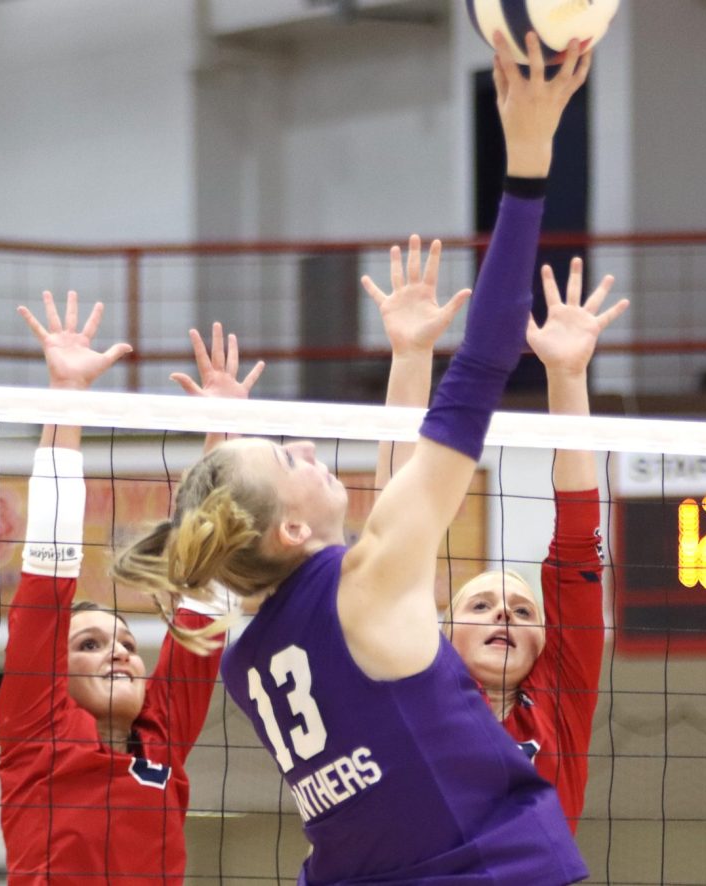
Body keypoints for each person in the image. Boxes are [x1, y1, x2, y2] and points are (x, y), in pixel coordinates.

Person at [115, 30, 592, 885]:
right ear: (292, 529)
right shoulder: (363, 588)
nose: (305, 444)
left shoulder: (250, 653)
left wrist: (406, 358)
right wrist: (527, 163)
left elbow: (391, 500)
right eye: (287, 457)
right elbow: (482, 371)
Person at [0, 292, 262, 885]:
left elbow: (205, 592)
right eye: (89, 644)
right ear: (51, 677)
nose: (119, 652)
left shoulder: (162, 735)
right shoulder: (34, 728)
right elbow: (47, 572)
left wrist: (224, 435)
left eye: (127, 644)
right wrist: (67, 394)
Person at [365, 242, 628, 834]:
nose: (504, 614)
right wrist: (411, 356)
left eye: (522, 610)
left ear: (546, 642)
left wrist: (568, 376)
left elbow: (579, 536)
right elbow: (393, 528)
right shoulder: (417, 686)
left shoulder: (561, 701)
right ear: (443, 633)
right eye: (480, 605)